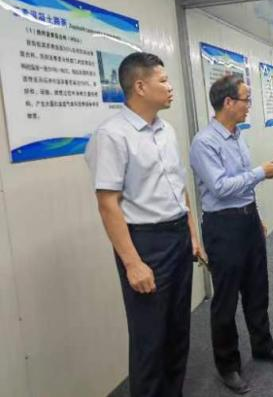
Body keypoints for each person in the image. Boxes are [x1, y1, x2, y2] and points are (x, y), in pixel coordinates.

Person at [85, 52, 204, 396]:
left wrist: (192, 235)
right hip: (146, 244)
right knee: (149, 340)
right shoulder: (112, 135)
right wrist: (133, 263)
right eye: (163, 80)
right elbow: (108, 204)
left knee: (178, 331)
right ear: (140, 86)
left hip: (178, 236)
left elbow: (178, 186)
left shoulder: (167, 130)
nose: (170, 87)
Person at [189, 74, 273, 394]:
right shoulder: (204, 142)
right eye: (246, 99)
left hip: (247, 221)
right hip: (223, 226)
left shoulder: (237, 136)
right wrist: (260, 173)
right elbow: (220, 188)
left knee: (257, 288)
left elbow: (242, 185)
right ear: (228, 102)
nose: (249, 105)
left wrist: (256, 216)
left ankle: (263, 345)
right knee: (225, 299)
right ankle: (228, 365)